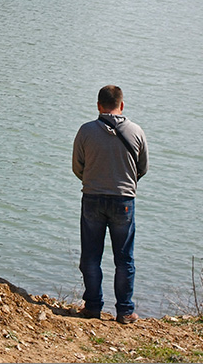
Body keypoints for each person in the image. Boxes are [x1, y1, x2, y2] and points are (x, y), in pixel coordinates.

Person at [72, 84, 148, 324]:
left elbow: (77, 167)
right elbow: (142, 168)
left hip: (93, 198)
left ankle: (92, 307)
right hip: (124, 201)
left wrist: (92, 180)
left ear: (98, 106)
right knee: (124, 259)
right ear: (122, 105)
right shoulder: (136, 131)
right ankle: (125, 311)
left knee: (91, 257)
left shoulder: (85, 131)